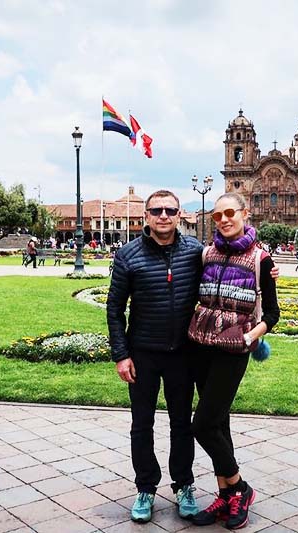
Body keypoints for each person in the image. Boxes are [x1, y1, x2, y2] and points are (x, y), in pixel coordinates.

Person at [107, 190, 203, 523]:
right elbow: (115, 309)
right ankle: (145, 487)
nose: (164, 215)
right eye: (157, 210)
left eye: (170, 210)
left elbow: (232, 264)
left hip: (182, 354)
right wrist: (121, 355)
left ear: (179, 214)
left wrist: (267, 271)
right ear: (146, 215)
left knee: (182, 424)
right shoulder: (128, 255)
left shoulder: (195, 252)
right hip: (143, 354)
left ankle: (184, 485)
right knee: (141, 424)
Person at [188, 192, 279, 530]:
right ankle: (226, 496)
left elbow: (272, 313)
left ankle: (240, 487)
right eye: (217, 216)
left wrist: (249, 338)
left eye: (229, 213)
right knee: (219, 423)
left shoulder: (261, 259)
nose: (224, 220)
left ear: (244, 213)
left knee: (202, 425)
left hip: (232, 351)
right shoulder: (206, 254)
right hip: (201, 347)